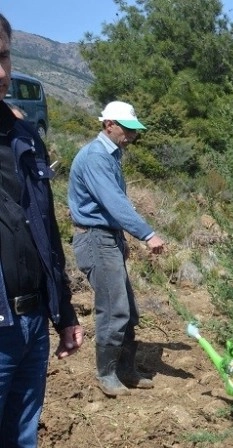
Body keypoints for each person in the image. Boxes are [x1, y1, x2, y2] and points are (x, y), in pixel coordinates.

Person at [0, 13, 86, 448]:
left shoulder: (21, 135)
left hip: (29, 318)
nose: (0, 72)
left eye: (3, 57)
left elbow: (44, 226)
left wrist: (64, 310)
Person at [68, 100, 166, 397]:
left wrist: (123, 239)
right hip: (96, 238)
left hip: (107, 237)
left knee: (128, 310)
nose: (132, 135)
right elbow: (115, 203)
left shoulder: (111, 155)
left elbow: (111, 207)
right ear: (108, 124)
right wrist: (147, 234)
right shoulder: (97, 157)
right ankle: (107, 373)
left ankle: (125, 369)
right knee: (114, 309)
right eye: (127, 128)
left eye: (134, 129)